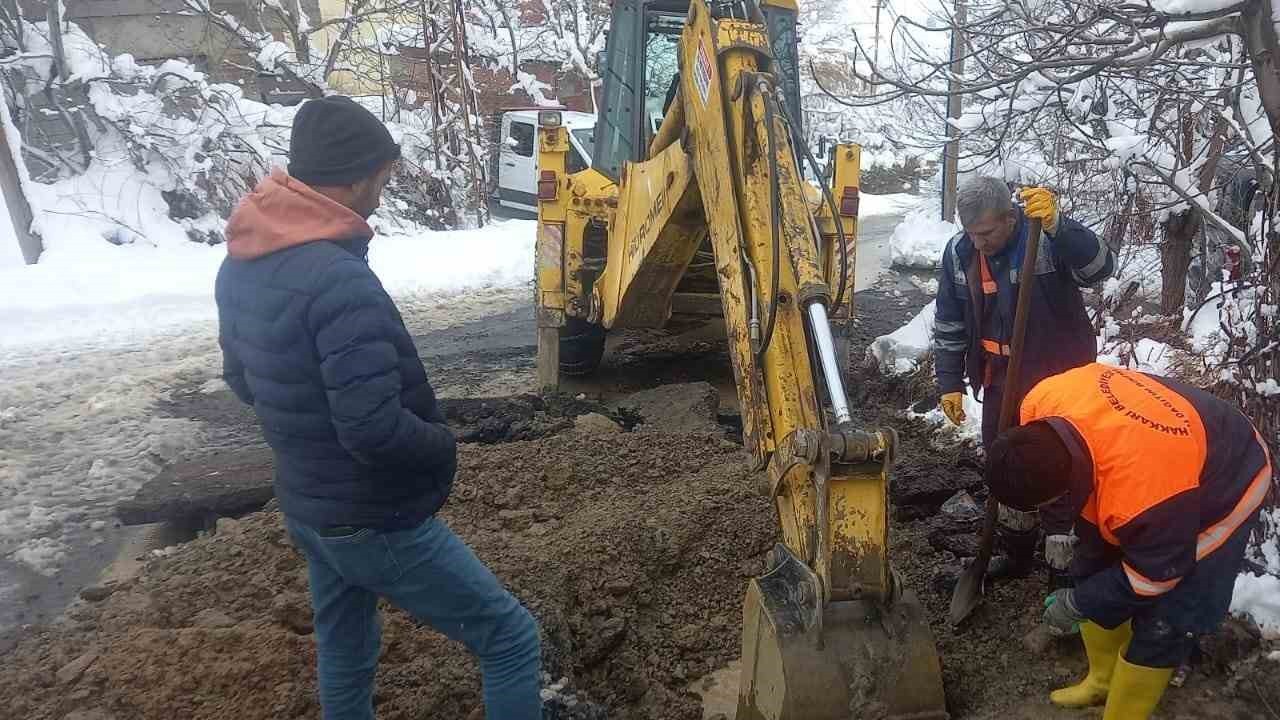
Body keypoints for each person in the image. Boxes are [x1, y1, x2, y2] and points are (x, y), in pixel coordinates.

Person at [214, 96, 542, 720]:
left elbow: (245, 380)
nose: (382, 198)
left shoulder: (242, 263)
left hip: (309, 507)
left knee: (346, 645)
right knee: (509, 639)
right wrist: (441, 443)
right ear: (360, 176)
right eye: (384, 181)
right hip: (370, 515)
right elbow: (371, 427)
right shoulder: (338, 280)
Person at [985, 362, 1272, 719]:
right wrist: (1087, 592)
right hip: (1150, 451)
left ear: (1061, 488)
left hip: (1229, 475)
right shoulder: (1039, 401)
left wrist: (1079, 603)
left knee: (1168, 617)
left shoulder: (1145, 494)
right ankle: (1102, 681)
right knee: (1090, 565)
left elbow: (1158, 573)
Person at [933, 176, 1116, 587]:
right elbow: (948, 321)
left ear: (1010, 217)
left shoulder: (1044, 239)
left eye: (986, 232)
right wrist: (949, 380)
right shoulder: (960, 253)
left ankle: (1063, 566)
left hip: (1061, 382)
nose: (978, 242)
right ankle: (1015, 553)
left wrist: (1060, 226)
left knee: (1060, 468)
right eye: (970, 233)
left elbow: (1101, 267)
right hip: (1000, 380)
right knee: (1008, 464)